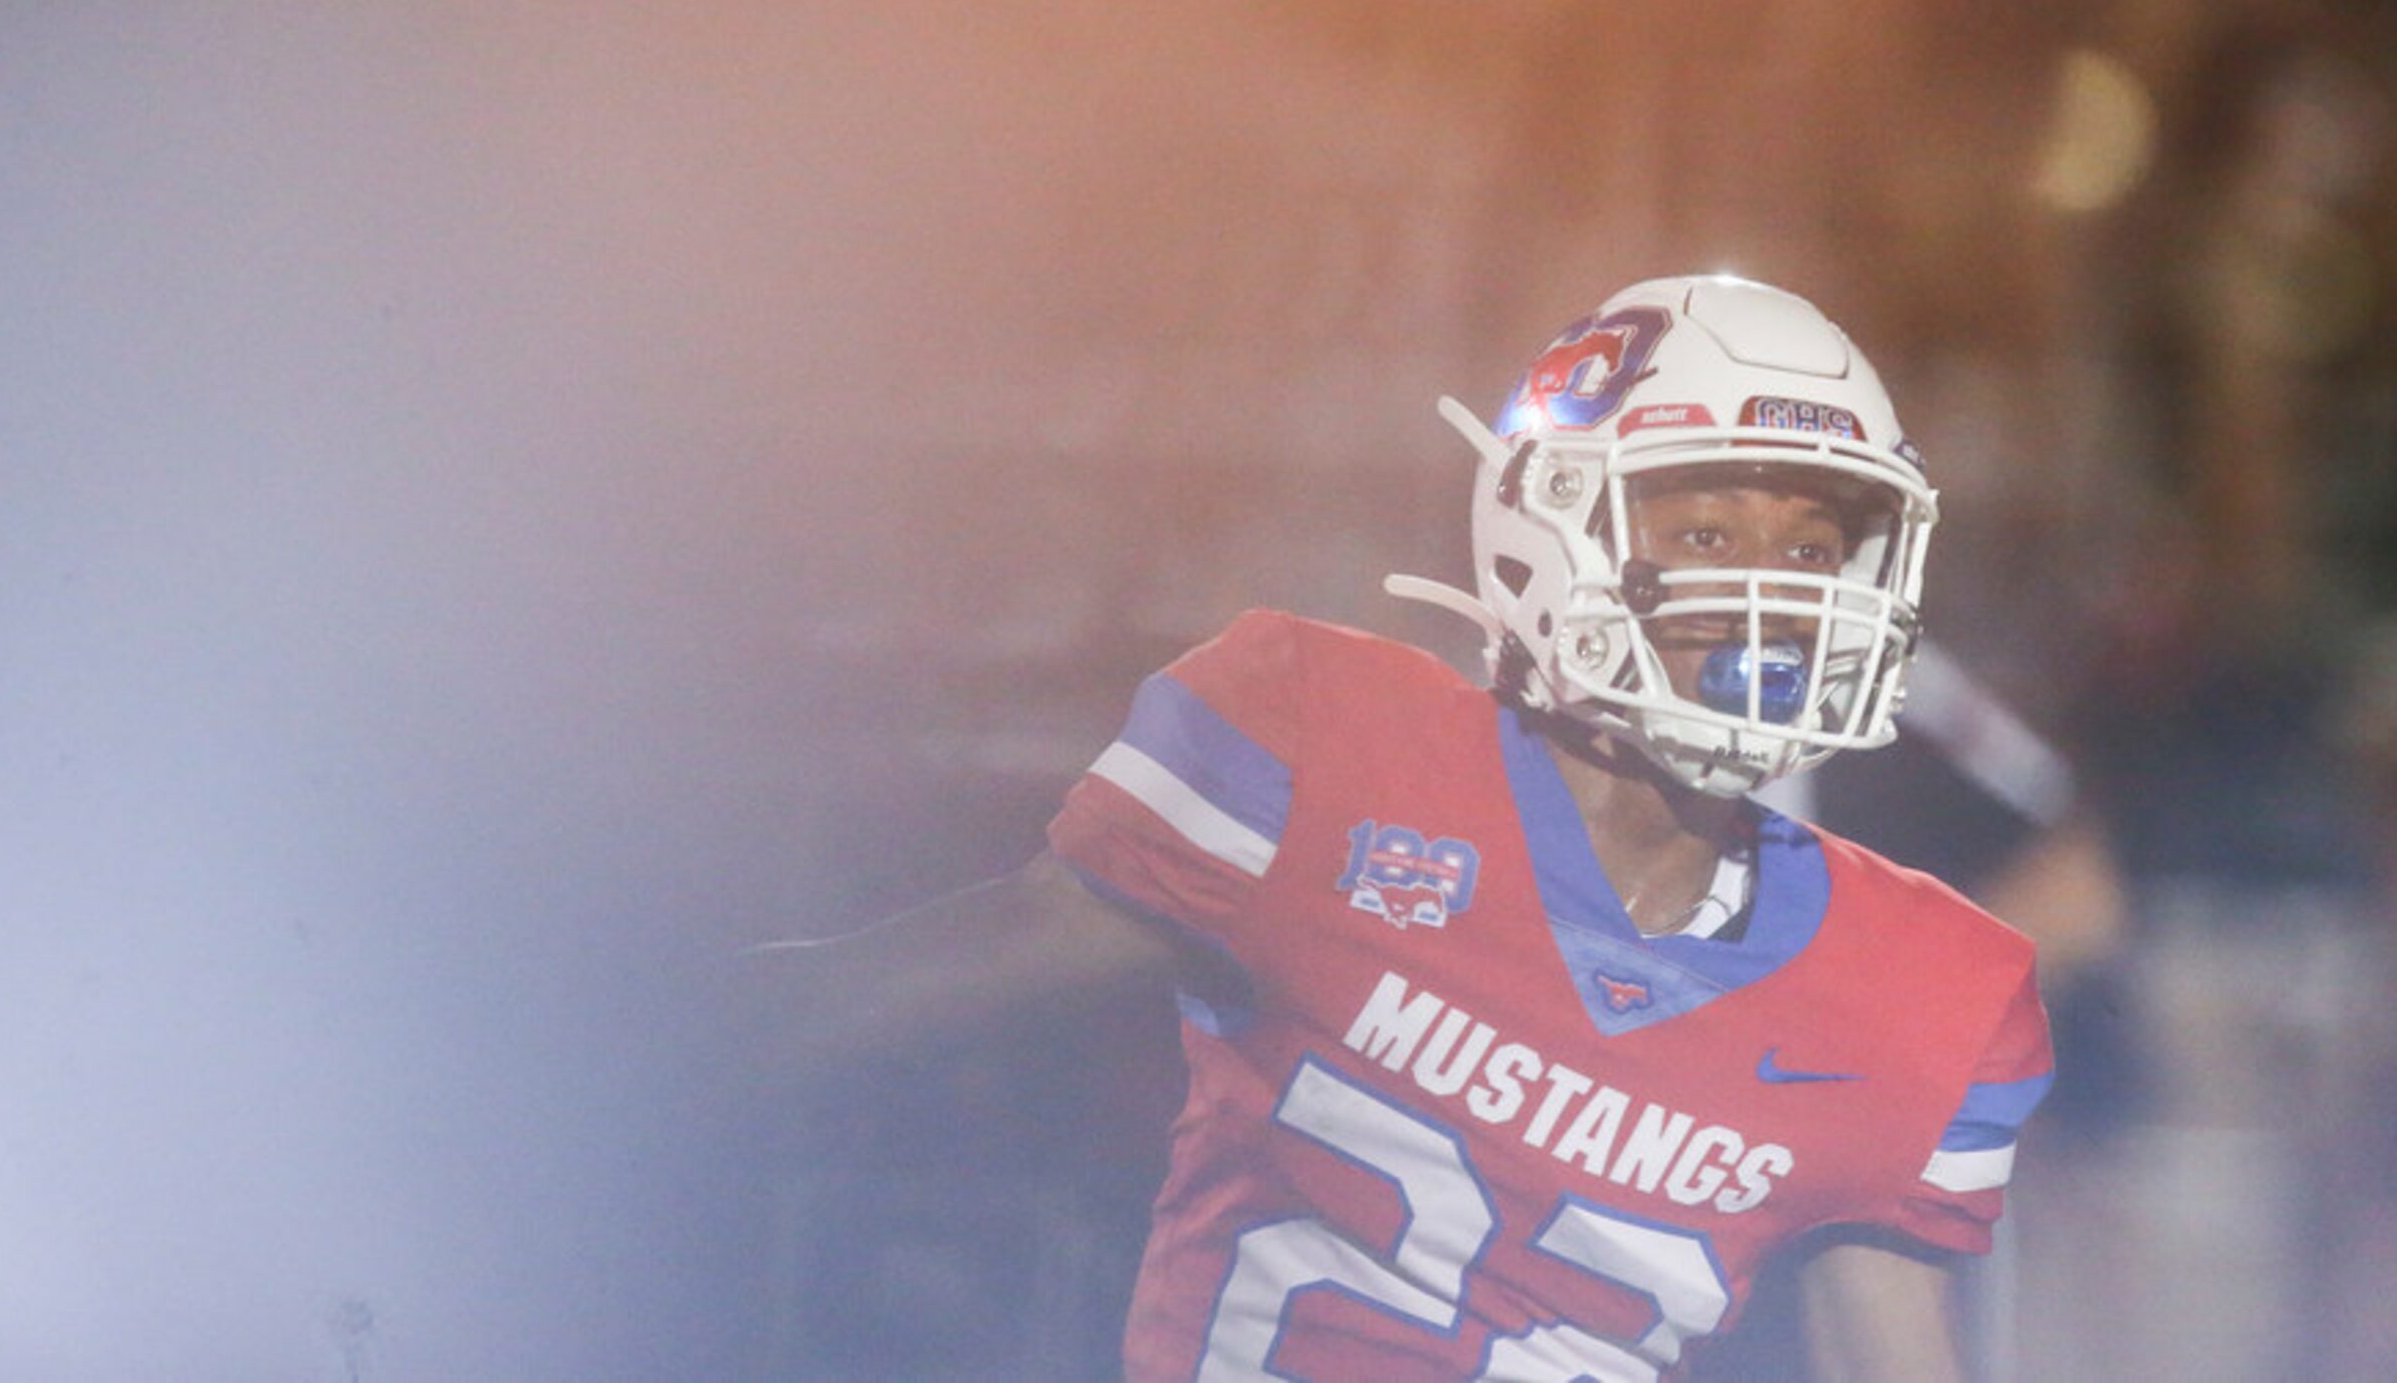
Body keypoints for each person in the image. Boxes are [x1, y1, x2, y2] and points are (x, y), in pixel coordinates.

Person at [762, 275, 2053, 1380]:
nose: (1767, 591)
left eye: (1812, 546)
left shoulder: (1916, 994)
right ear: (1560, 523)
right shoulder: (1319, 746)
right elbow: (950, 978)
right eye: (1708, 528)